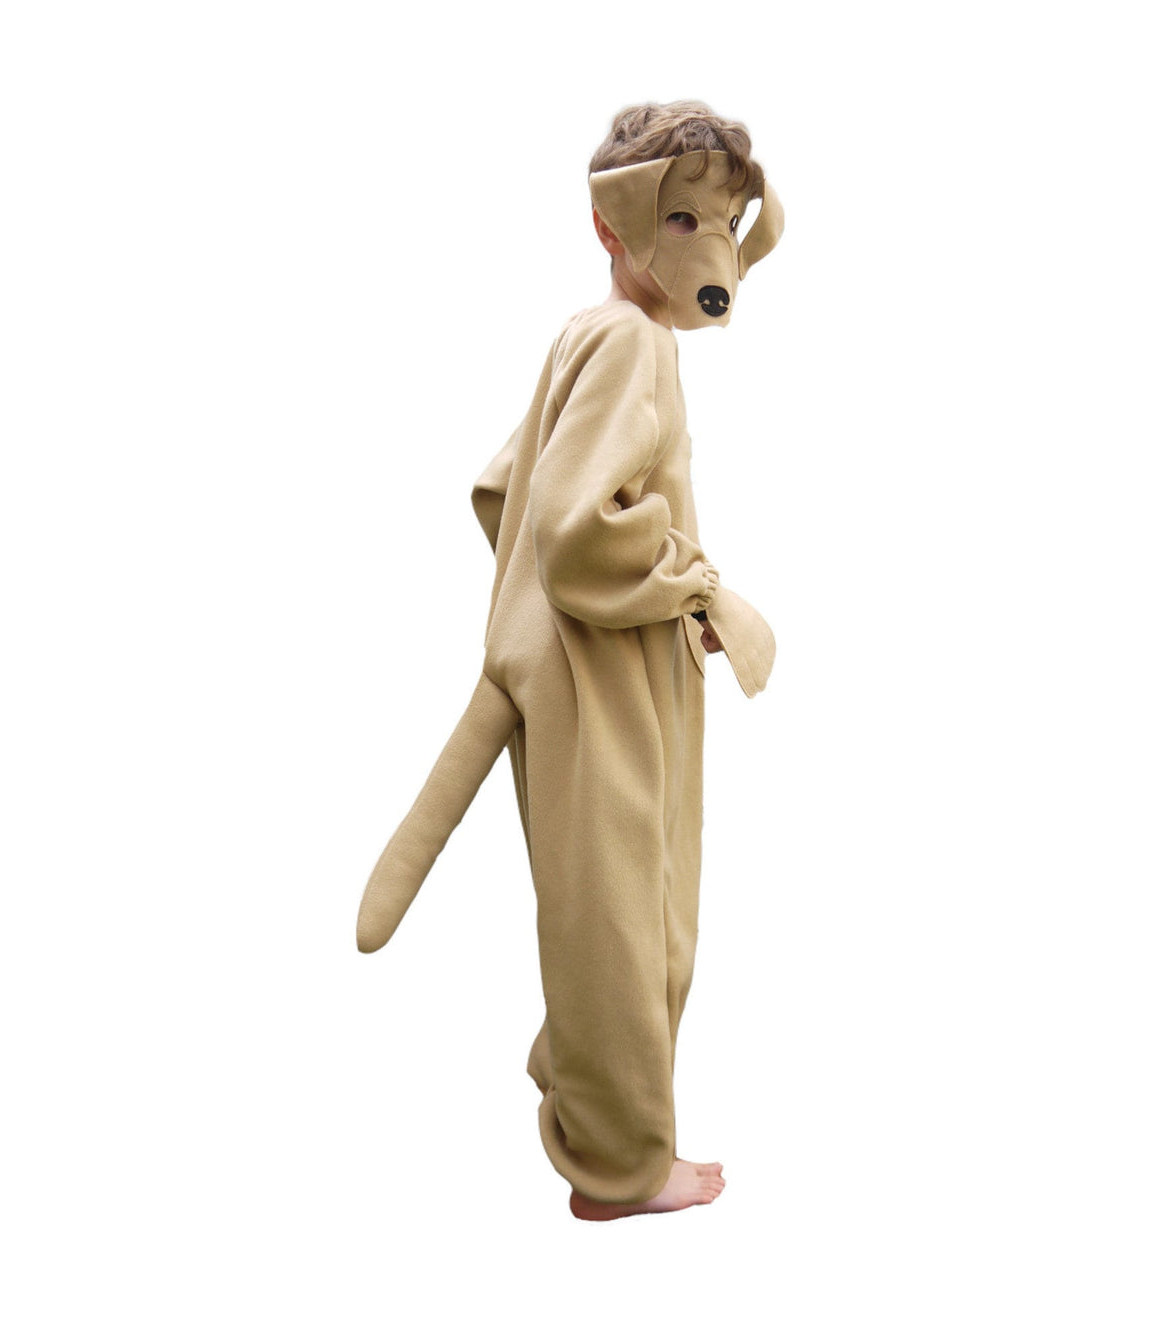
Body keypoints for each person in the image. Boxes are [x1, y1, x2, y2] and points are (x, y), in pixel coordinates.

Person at [356, 100, 784, 1221]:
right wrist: (677, 583)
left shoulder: (583, 336)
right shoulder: (632, 342)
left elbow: (504, 487)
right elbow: (569, 520)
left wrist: (543, 628)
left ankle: (589, 1083)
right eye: (681, 219)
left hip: (581, 667)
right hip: (604, 683)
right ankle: (617, 1166)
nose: (709, 250)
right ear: (611, 227)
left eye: (721, 223)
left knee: (621, 908)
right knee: (629, 922)